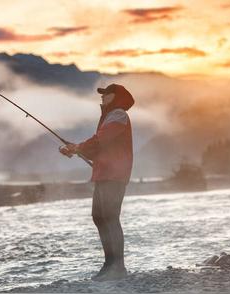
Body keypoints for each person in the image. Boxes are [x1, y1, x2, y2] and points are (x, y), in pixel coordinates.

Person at [59, 83, 134, 281]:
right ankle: (110, 264)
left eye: (107, 94)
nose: (103, 96)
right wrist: (75, 149)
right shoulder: (109, 116)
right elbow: (98, 147)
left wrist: (77, 148)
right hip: (104, 173)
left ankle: (117, 267)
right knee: (99, 217)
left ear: (115, 96)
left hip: (114, 175)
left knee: (109, 217)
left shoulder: (118, 114)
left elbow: (101, 140)